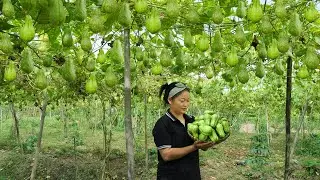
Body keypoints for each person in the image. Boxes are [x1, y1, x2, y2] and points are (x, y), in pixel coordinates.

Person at [152, 82, 214, 180]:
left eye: (188, 101)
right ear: (170, 100)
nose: (186, 104)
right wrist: (194, 147)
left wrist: (206, 143)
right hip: (171, 176)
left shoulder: (192, 120)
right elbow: (166, 155)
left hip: (192, 174)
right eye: (182, 101)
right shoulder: (162, 124)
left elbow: (201, 145)